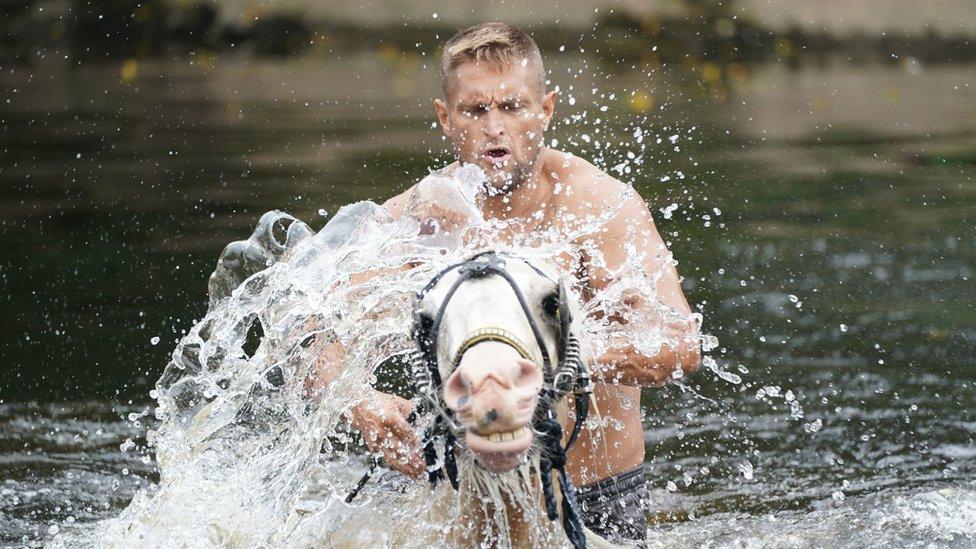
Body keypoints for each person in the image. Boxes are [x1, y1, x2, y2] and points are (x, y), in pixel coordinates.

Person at [317, 22, 701, 544]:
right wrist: (360, 402)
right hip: (451, 494)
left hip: (591, 495)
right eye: (476, 111)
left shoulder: (600, 209)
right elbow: (321, 337)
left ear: (544, 110)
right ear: (445, 118)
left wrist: (561, 364)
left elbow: (680, 345)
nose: (495, 128)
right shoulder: (414, 219)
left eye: (513, 107)